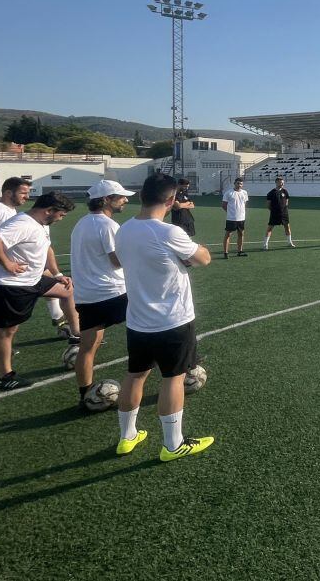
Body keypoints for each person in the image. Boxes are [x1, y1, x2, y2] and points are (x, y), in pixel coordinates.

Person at [114, 172, 214, 461]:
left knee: (135, 375)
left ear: (142, 196)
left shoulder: (124, 230)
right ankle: (173, 445)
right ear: (171, 201)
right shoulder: (168, 232)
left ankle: (126, 437)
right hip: (172, 320)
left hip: (138, 320)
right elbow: (204, 258)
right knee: (173, 378)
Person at [0, 192, 81, 390]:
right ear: (49, 210)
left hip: (33, 280)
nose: (61, 218)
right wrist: (7, 264)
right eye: (61, 215)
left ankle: (76, 335)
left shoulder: (41, 224)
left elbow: (47, 248)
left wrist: (56, 274)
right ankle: (5, 377)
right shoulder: (23, 223)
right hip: (9, 285)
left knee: (67, 290)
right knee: (6, 331)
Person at [70, 179, 133, 407]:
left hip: (86, 295)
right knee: (153, 328)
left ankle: (85, 395)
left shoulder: (81, 223)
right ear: (106, 199)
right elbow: (117, 261)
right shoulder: (108, 225)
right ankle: (176, 372)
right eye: (121, 197)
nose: (125, 200)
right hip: (113, 293)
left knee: (87, 347)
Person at [0, 177, 68, 342]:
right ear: (8, 193)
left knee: (49, 279)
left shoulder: (13, 211)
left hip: (16, 265)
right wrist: (5, 262)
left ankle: (58, 317)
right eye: (23, 193)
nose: (27, 196)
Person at [263, 177, 295, 250]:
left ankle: (289, 242)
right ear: (276, 183)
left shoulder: (285, 191)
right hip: (274, 213)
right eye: (281, 182)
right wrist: (273, 210)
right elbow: (268, 205)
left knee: (287, 227)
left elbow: (286, 202)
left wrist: (284, 210)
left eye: (283, 182)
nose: (282, 184)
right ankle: (265, 244)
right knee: (270, 228)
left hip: (284, 213)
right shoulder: (271, 193)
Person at [221, 176, 249, 258]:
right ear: (234, 184)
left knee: (241, 234)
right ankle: (226, 252)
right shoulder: (228, 193)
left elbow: (245, 204)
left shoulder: (244, 193)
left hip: (241, 218)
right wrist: (230, 213)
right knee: (228, 234)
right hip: (231, 218)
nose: (239, 185)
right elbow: (224, 205)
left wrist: (242, 212)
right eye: (238, 183)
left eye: (241, 184)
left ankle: (240, 251)